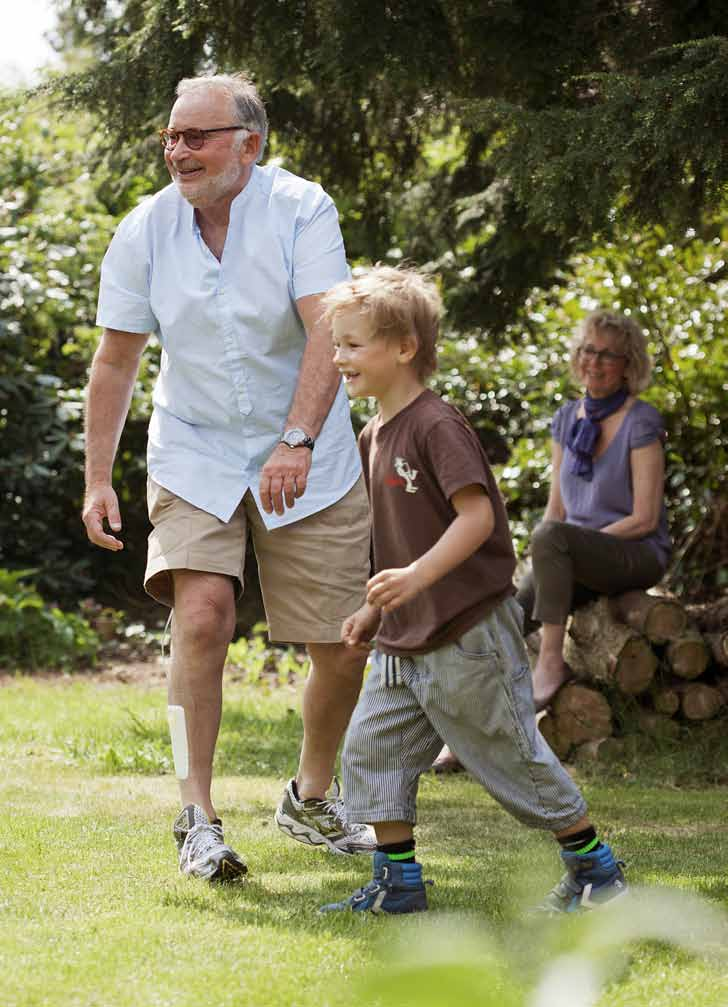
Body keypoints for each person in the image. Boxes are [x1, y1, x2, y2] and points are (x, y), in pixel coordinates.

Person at [82, 72, 376, 883]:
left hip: (307, 448)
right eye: (172, 137)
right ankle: (197, 815)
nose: (178, 150)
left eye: (197, 136)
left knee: (342, 645)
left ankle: (311, 796)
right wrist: (97, 479)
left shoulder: (300, 208)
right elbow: (116, 359)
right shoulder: (142, 229)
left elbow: (329, 323)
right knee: (202, 614)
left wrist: (297, 436)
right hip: (195, 447)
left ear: (250, 144)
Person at [317, 265, 628, 915]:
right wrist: (373, 606)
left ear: (404, 348)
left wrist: (414, 579)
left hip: (464, 635)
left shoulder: (435, 424)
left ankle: (596, 869)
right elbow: (397, 544)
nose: (337, 356)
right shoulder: (373, 433)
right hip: (403, 639)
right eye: (336, 343)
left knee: (509, 757)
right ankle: (398, 882)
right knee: (371, 752)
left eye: (351, 344)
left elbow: (477, 517)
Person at [516, 310, 671, 711]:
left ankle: (551, 662)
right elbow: (556, 508)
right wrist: (538, 561)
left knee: (552, 538)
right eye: (589, 350)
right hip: (573, 552)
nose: (595, 362)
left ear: (628, 366)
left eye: (608, 355)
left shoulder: (641, 421)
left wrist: (573, 548)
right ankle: (470, 730)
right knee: (503, 616)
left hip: (635, 551)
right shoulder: (567, 418)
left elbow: (645, 519)